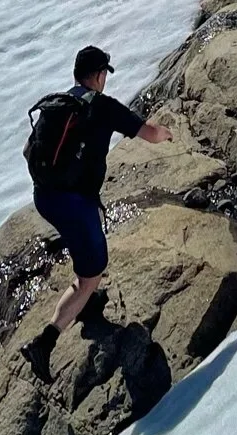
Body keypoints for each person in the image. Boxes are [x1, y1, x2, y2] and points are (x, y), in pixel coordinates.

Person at [27, 46, 172, 335]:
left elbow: (26, 150)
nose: (105, 78)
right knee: (92, 274)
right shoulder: (104, 107)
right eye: (104, 73)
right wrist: (167, 132)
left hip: (44, 196)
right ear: (97, 75)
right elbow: (150, 134)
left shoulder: (59, 104)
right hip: (75, 204)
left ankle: (88, 303)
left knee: (83, 250)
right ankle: (46, 340)